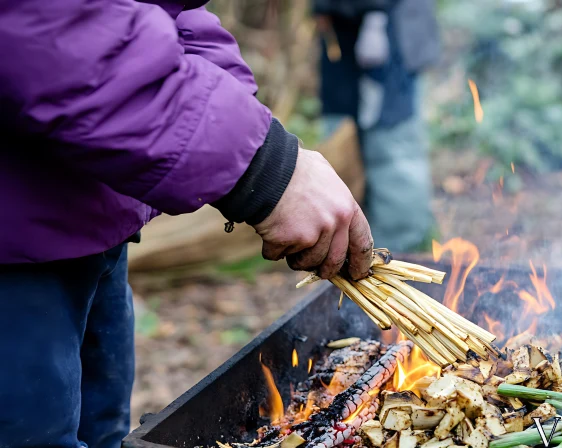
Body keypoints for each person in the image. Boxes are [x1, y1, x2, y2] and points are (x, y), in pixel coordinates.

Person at [0, 2, 375, 447]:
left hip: (96, 216)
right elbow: (49, 32)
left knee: (105, 435)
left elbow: (173, 14)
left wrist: (249, 134)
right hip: (16, 241)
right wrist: (263, 169)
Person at [314, 0, 441, 253]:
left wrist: (376, 14)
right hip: (343, 35)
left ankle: (401, 256)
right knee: (342, 143)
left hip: (390, 28)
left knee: (391, 148)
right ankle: (348, 253)